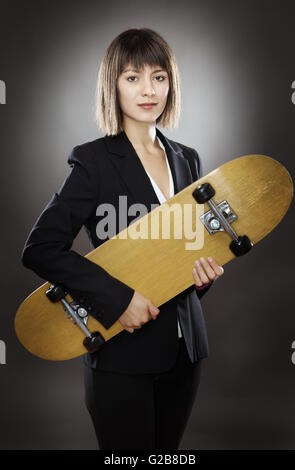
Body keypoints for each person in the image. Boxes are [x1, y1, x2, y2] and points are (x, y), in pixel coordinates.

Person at [21, 28, 224, 450]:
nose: (148, 90)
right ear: (112, 85)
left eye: (159, 76)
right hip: (120, 352)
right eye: (132, 78)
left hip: (185, 352)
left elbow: (181, 255)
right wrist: (118, 302)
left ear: (171, 83)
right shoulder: (94, 161)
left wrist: (201, 279)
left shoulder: (188, 159)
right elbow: (41, 248)